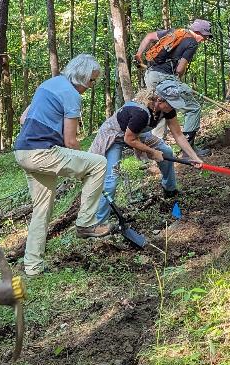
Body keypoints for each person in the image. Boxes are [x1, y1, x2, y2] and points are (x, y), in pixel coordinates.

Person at [14, 53, 110, 277]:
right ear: (83, 77)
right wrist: (84, 166)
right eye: (92, 80)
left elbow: (22, 118)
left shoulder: (49, 84)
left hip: (22, 151)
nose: (92, 85)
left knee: (42, 210)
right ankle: (86, 223)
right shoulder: (72, 95)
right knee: (98, 164)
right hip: (42, 152)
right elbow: (70, 141)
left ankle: (32, 266)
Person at [90, 80, 203, 223]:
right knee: (111, 180)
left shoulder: (167, 110)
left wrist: (193, 157)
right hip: (114, 136)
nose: (174, 107)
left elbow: (178, 135)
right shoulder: (141, 113)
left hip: (138, 134)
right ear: (160, 100)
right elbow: (129, 139)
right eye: (172, 103)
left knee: (166, 151)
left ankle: (170, 189)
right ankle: (99, 223)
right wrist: (152, 152)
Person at [135, 18, 213, 156]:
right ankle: (187, 149)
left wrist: (139, 54)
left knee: (160, 110)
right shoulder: (192, 43)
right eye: (204, 36)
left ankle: (154, 152)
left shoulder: (173, 32)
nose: (204, 39)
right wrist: (178, 80)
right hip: (165, 79)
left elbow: (148, 37)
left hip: (150, 75)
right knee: (193, 108)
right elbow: (180, 69)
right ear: (197, 32)